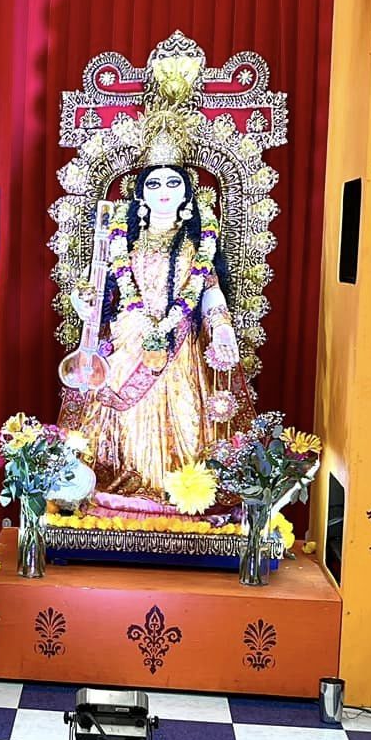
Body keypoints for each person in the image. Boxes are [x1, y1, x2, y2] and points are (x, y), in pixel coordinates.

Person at [64, 163, 244, 508]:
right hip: (128, 341)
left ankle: (180, 496)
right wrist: (82, 300)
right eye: (154, 183)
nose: (163, 191)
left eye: (173, 183)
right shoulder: (123, 240)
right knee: (127, 424)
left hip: (180, 347)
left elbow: (210, 290)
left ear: (187, 193)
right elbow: (93, 285)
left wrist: (221, 327)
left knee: (186, 422)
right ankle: (125, 492)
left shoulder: (197, 244)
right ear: (140, 194)